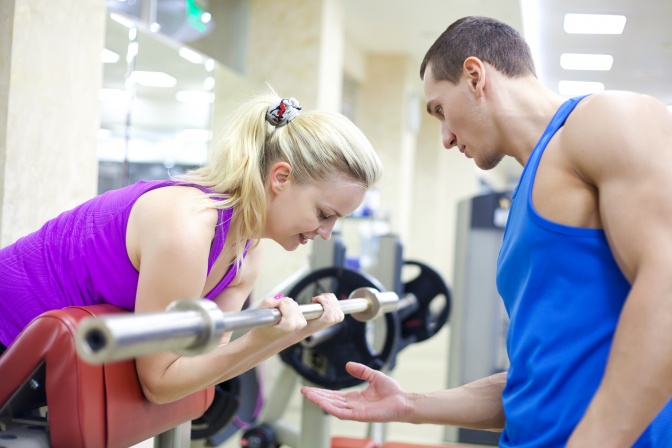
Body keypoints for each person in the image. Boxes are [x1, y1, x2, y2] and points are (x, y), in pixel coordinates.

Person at [302, 15, 672, 448]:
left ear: (475, 76)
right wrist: (410, 404)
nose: (444, 137)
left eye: (440, 109)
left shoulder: (606, 119)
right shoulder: (526, 196)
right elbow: (537, 381)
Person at [0, 90, 383, 405]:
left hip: (44, 366)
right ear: (280, 177)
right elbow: (160, 382)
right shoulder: (188, 226)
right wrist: (259, 339)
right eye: (324, 213)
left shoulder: (247, 252)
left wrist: (288, 335)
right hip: (9, 342)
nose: (326, 232)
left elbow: (201, 369)